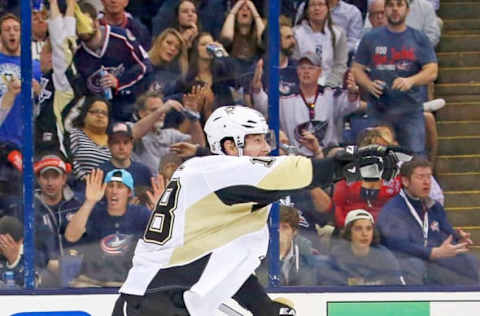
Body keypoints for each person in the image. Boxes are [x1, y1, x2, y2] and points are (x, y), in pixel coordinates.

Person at [112, 105, 404, 316]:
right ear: (229, 146)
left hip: (167, 301)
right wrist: (347, 163)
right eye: (257, 140)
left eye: (266, 139)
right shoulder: (214, 170)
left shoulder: (233, 191)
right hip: (151, 303)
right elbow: (289, 172)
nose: (266, 148)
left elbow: (228, 265)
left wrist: (263, 308)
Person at [352, 0, 438, 156]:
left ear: (407, 10)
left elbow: (432, 71)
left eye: (399, 5)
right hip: (379, 110)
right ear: (385, 9)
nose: (395, 9)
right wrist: (368, 84)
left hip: (410, 110)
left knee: (413, 156)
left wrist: (411, 80)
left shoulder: (419, 38)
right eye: (391, 5)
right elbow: (357, 69)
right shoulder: (370, 38)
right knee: (375, 157)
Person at [378, 158, 480, 285]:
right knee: (416, 266)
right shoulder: (394, 210)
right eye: (420, 177)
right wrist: (432, 253)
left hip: (435, 259)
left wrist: (458, 238)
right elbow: (399, 245)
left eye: (429, 177)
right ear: (405, 181)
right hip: (409, 262)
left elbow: (446, 231)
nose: (426, 182)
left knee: (471, 262)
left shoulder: (434, 206)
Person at [253, 51, 361, 156]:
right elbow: (264, 107)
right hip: (294, 153)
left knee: (340, 153)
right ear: (297, 71)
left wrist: (352, 93)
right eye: (302, 68)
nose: (306, 71)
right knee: (277, 153)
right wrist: (257, 88)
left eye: (311, 68)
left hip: (326, 151)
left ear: (320, 72)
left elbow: (348, 106)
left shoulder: (330, 94)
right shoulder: (285, 97)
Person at [65, 169, 153, 287]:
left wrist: (159, 213)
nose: (114, 191)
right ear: (105, 190)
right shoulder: (92, 211)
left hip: (128, 283)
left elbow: (160, 245)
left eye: (120, 187)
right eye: (110, 186)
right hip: (91, 282)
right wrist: (89, 202)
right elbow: (71, 236)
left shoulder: (141, 215)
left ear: (129, 192)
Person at [73, 2, 152, 122]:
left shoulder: (121, 36)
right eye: (78, 24)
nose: (83, 28)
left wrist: (119, 81)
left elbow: (145, 65)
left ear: (96, 22)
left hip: (130, 100)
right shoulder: (77, 54)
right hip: (99, 111)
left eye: (85, 22)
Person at [33, 154, 83, 285]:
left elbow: (90, 239)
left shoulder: (78, 204)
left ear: (64, 178)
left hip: (77, 274)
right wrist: (47, 262)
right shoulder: (30, 207)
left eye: (55, 177)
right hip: (41, 272)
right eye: (45, 177)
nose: (50, 183)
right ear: (38, 179)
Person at [324, 209, 405, 285]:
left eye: (369, 229)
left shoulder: (385, 257)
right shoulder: (337, 255)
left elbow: (398, 289)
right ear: (349, 232)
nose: (364, 234)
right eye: (358, 229)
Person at [0, 13, 42, 148]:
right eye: (7, 30)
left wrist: (38, 92)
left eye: (16, 29)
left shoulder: (34, 66)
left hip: (24, 141)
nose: (12, 33)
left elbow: (41, 105)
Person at [256, 205, 318, 286]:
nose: (279, 231)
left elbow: (307, 284)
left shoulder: (304, 249)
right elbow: (263, 284)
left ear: (294, 232)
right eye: (275, 227)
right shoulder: (258, 250)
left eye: (285, 227)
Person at [293, 0, 349, 87]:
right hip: (302, 86)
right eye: (312, 5)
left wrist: (329, 86)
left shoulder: (338, 33)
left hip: (331, 86)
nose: (317, 8)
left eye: (320, 4)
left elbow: (340, 65)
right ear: (306, 10)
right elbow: (294, 63)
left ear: (327, 8)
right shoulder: (295, 33)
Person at [68, 96, 112, 182]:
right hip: (80, 185)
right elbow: (69, 158)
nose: (100, 115)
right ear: (84, 114)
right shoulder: (75, 134)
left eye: (104, 113)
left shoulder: (113, 141)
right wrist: (84, 178)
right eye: (94, 112)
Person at [99, 122, 153, 188]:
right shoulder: (99, 173)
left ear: (132, 144)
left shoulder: (144, 172)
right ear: (109, 145)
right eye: (116, 142)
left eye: (126, 142)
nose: (121, 147)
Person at [146, 28, 188, 98]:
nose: (172, 48)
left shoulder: (172, 79)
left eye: (177, 47)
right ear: (158, 42)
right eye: (169, 43)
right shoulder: (140, 63)